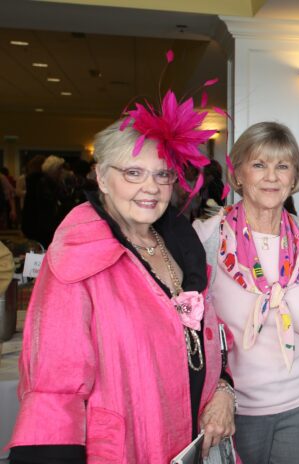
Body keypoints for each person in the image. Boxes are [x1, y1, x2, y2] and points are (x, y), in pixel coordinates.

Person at [8, 65, 235, 462]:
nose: (150, 187)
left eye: (161, 175)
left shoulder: (179, 244)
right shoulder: (78, 258)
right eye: (133, 173)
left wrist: (222, 388)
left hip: (191, 443)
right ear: (101, 177)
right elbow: (53, 390)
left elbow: (205, 336)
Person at [194, 121, 299, 464]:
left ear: (294, 178)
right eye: (259, 165)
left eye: (282, 166)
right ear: (239, 174)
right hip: (230, 410)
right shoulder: (206, 241)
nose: (271, 177)